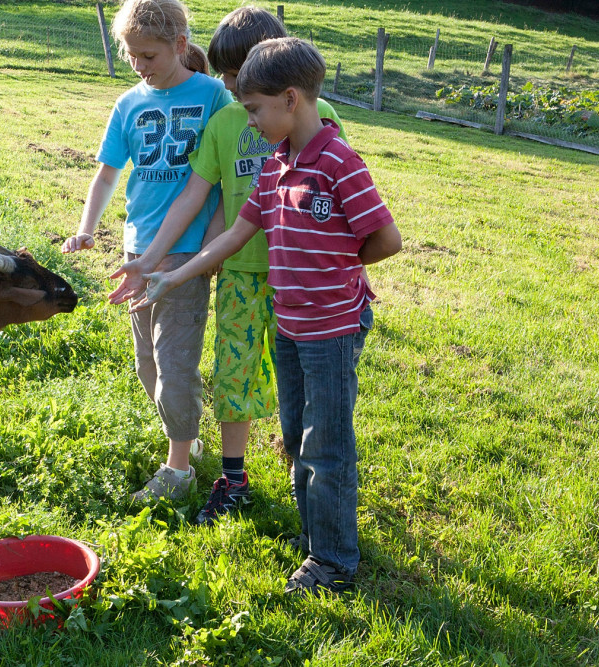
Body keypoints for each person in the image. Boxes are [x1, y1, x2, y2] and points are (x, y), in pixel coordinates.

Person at [127, 36, 402, 595]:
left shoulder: (339, 160)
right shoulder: (277, 167)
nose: (248, 121)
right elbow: (233, 233)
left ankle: (333, 561)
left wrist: (336, 266)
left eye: (254, 109)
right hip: (292, 326)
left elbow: (386, 239)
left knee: (327, 443)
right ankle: (314, 539)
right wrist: (172, 274)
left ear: (291, 99)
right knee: (300, 441)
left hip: (331, 326)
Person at [108, 6, 348, 526]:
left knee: (301, 376)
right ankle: (233, 477)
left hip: (302, 274)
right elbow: (205, 199)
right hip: (241, 271)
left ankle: (302, 459)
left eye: (241, 78)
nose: (235, 88)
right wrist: (158, 260)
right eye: (228, 77)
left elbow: (343, 194)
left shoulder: (315, 112)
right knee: (233, 375)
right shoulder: (223, 123)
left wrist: (355, 268)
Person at [61, 0, 232, 502]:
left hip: (185, 255)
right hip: (139, 250)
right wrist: (87, 227)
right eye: (131, 55)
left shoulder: (214, 97)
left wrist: (212, 246)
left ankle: (178, 470)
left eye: (149, 55)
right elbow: (108, 172)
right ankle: (190, 440)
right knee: (148, 365)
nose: (139, 65)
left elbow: (225, 176)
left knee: (174, 365)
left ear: (180, 45)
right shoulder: (128, 104)